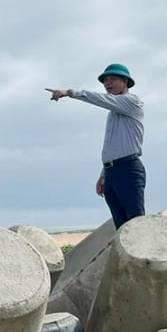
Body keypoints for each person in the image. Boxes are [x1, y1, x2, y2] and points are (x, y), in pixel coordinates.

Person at [46, 63, 145, 229]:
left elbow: (101, 99)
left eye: (113, 79)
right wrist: (104, 173)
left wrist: (70, 92)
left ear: (125, 81)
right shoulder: (113, 113)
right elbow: (114, 146)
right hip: (112, 171)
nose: (108, 84)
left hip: (128, 168)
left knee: (136, 224)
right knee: (121, 227)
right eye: (105, 80)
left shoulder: (132, 102)